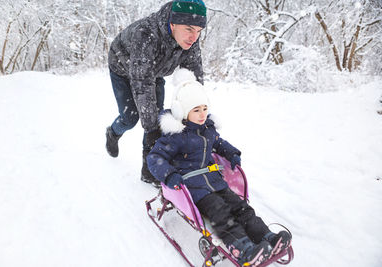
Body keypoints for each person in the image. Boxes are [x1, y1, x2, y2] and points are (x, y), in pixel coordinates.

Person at [147, 69, 292, 266]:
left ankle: (266, 236)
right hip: (194, 188)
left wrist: (231, 153)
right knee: (220, 211)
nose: (202, 114)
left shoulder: (208, 131)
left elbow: (218, 143)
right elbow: (155, 157)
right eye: (196, 110)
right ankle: (242, 247)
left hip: (216, 182)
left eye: (204, 108)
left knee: (241, 206)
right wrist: (170, 176)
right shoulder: (176, 136)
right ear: (182, 111)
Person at [106, 0, 206, 187]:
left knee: (158, 118)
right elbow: (142, 82)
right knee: (132, 117)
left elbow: (193, 78)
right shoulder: (146, 34)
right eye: (189, 29)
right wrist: (151, 128)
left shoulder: (190, 39)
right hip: (122, 67)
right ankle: (113, 133)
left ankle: (149, 170)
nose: (194, 37)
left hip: (154, 70)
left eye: (199, 31)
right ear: (173, 23)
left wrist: (197, 111)